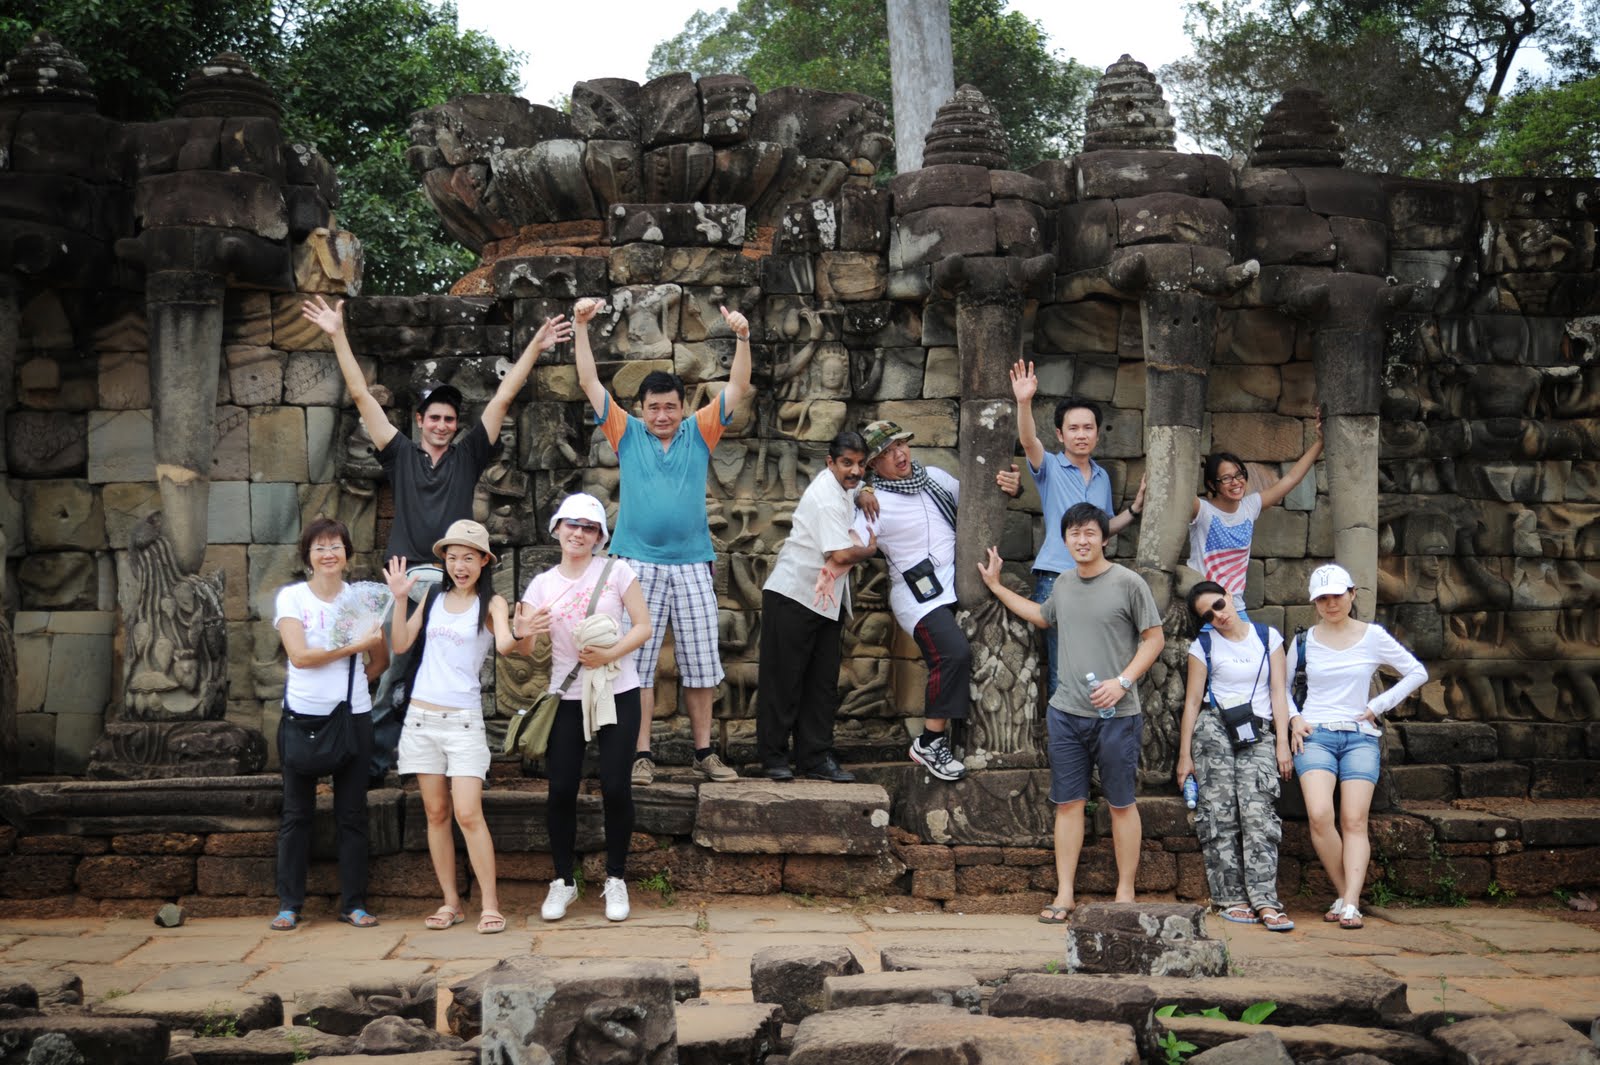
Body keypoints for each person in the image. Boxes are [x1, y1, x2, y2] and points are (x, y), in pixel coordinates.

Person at [301, 295, 572, 784]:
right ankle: (374, 766)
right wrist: (338, 334)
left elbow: (503, 398)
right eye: (434, 418)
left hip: (455, 582)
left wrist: (534, 346)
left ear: (456, 425)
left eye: (449, 419)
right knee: (393, 673)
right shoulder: (400, 454)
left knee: (452, 669)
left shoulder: (468, 456)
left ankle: (445, 761)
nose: (442, 425)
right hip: (406, 581)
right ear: (420, 421)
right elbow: (362, 396)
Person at [570, 296, 752, 785]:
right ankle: (641, 754)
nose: (663, 415)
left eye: (671, 406)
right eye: (654, 407)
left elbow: (738, 385)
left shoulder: (700, 432)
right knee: (637, 664)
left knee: (701, 663)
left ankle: (704, 752)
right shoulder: (627, 433)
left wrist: (742, 337)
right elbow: (588, 382)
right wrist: (581, 326)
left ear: (683, 407)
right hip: (636, 564)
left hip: (692, 562)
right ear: (641, 409)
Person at [976, 503, 1164, 922]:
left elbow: (1154, 639)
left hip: (1118, 714)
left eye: (1090, 533)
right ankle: (1064, 894)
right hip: (1066, 712)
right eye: (1074, 533)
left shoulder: (1129, 583)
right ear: (1064, 540)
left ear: (1104, 538)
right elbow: (1042, 617)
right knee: (1068, 803)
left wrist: (1122, 682)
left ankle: (1126, 892)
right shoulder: (1062, 583)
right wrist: (996, 587)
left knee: (1121, 803)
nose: (1082, 540)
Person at [516, 493, 652, 922]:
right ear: (557, 528)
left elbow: (644, 626)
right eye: (571, 524)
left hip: (616, 688)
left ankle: (615, 877)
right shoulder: (542, 584)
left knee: (615, 785)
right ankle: (563, 880)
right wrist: (521, 629)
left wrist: (610, 653)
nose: (578, 533)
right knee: (560, 788)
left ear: (599, 537)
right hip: (567, 694)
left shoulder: (617, 571)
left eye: (588, 527)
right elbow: (526, 649)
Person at [383, 519, 517, 935]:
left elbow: (506, 644)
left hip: (462, 720)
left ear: (484, 561)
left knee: (468, 812)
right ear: (444, 561)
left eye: (469, 558)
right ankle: (451, 903)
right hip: (421, 718)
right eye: (453, 558)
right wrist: (400, 599)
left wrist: (522, 631)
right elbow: (401, 644)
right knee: (436, 812)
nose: (460, 566)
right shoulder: (434, 597)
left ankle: (490, 904)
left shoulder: (492, 603)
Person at [1289, 563, 1428, 931]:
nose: (1330, 604)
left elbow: (1417, 672)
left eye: (1337, 595)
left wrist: (1377, 705)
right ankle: (1345, 893)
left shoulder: (1372, 636)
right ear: (1314, 603)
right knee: (1320, 814)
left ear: (1352, 594)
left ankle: (1350, 903)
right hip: (1315, 734)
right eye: (1322, 598)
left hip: (1360, 736)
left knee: (1354, 820)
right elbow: (1281, 688)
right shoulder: (1303, 641)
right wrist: (1293, 718)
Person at [272, 517, 386, 930]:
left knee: (352, 814)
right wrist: (353, 648)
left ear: (347, 554)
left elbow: (380, 660)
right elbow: (300, 656)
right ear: (308, 556)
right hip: (302, 715)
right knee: (296, 813)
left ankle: (354, 903)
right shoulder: (293, 598)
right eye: (319, 547)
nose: (328, 554)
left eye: (335, 546)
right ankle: (289, 904)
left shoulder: (360, 600)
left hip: (352, 716)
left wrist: (351, 685)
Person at [1008, 362, 1145, 698]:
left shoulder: (1101, 476)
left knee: (1096, 659)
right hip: (1057, 576)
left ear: (1097, 433)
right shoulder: (1050, 467)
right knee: (1062, 663)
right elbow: (1028, 441)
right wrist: (1024, 402)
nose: (1081, 435)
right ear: (1060, 434)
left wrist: (1134, 510)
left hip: (1097, 579)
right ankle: (1062, 729)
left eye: (1088, 428)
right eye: (1073, 428)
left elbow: (1103, 528)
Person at [850, 421, 976, 781]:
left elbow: (975, 499)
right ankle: (930, 742)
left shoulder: (934, 478)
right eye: (887, 452)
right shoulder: (875, 502)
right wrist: (857, 491)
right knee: (952, 655)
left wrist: (1010, 486)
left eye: (900, 445)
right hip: (918, 597)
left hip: (958, 585)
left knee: (964, 658)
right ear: (873, 464)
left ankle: (951, 740)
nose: (899, 454)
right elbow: (853, 538)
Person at [757, 431, 879, 782]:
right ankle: (774, 758)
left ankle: (814, 758)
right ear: (830, 463)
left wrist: (867, 489)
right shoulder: (825, 497)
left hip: (826, 600)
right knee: (784, 680)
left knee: (822, 683)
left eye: (861, 464)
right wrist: (870, 550)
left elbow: (858, 486)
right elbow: (839, 555)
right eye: (847, 463)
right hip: (794, 595)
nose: (855, 470)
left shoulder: (847, 485)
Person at [1175, 580, 1295, 932]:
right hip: (1214, 727)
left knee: (1258, 810)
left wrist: (1282, 743)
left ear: (1229, 597)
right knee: (1219, 811)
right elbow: (1192, 703)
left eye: (1218, 605)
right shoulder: (1203, 646)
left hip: (1257, 729)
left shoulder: (1267, 637)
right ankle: (1231, 898)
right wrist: (1184, 756)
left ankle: (1265, 900)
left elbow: (1278, 691)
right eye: (1208, 615)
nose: (1218, 616)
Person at [1188, 412, 1323, 620]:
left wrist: (1321, 442)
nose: (1236, 482)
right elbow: (1179, 489)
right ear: (1212, 484)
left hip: (1236, 607)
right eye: (1226, 478)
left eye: (1239, 475)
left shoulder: (1249, 507)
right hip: (1205, 609)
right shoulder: (1202, 511)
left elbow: (1291, 478)